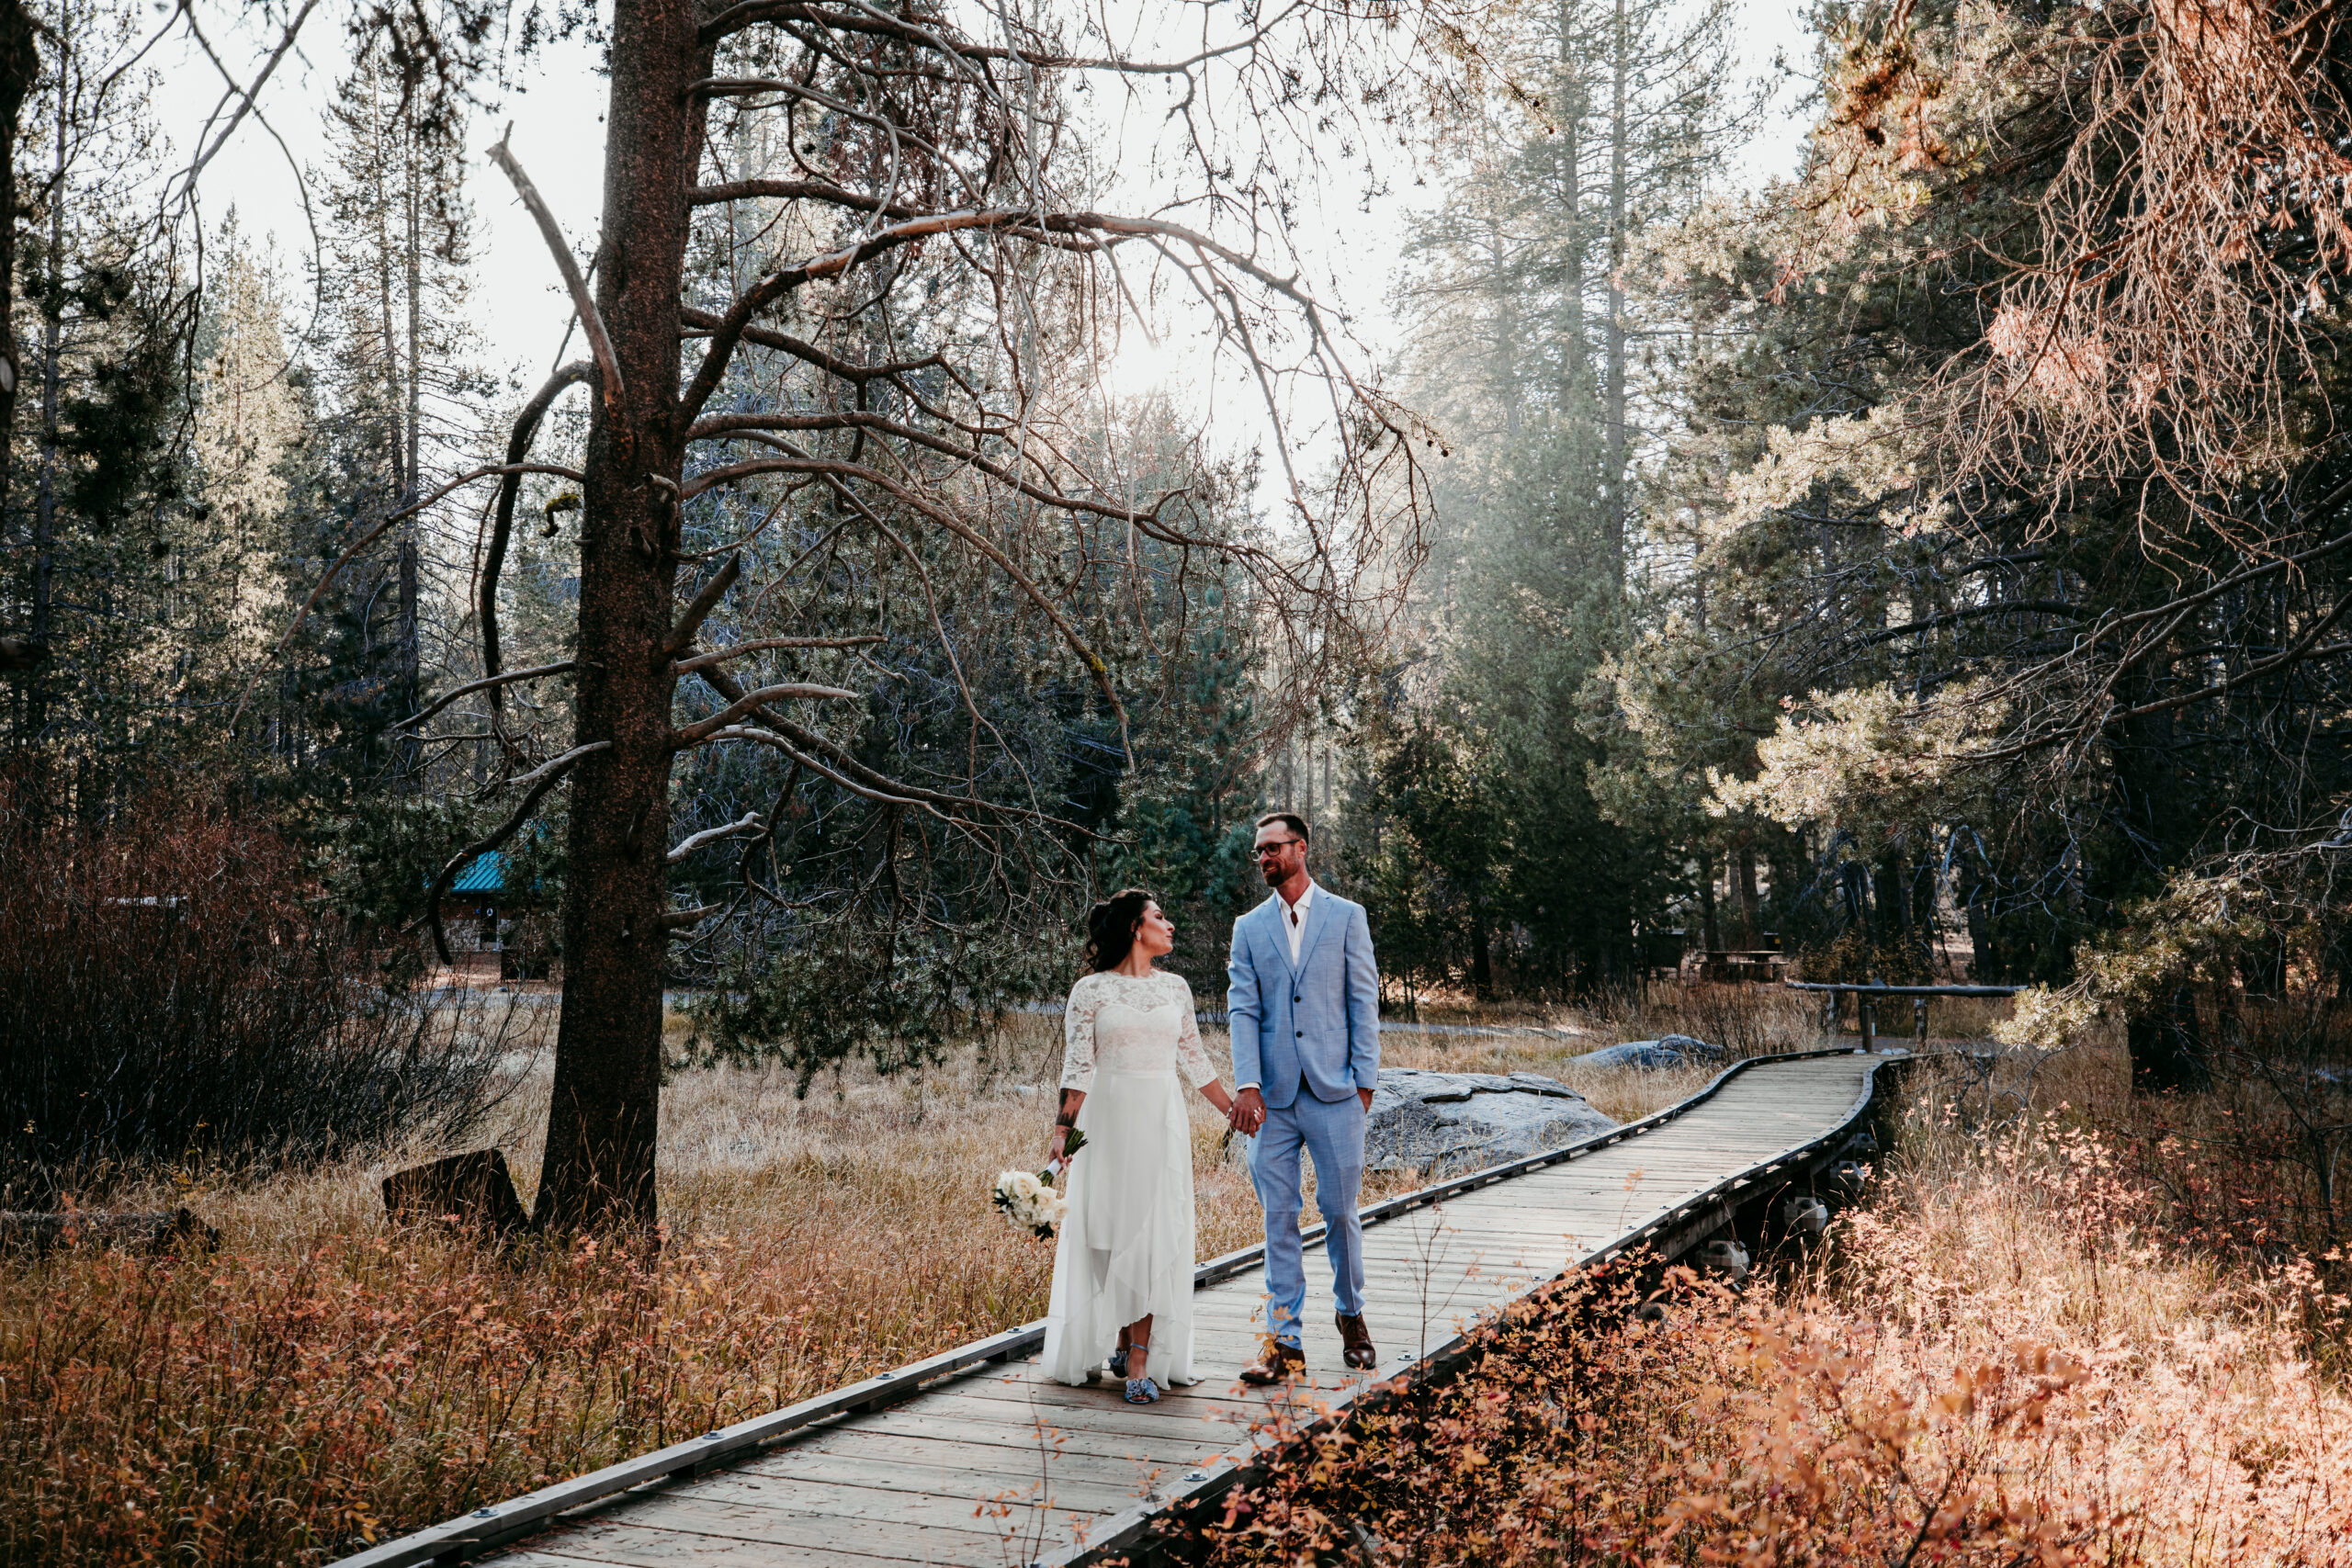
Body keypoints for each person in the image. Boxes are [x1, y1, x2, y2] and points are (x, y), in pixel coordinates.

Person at [1041, 889, 1240, 1404]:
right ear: (1135, 927)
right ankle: (1118, 1334)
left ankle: (1139, 1358)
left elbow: (1196, 1061)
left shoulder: (1175, 988)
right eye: (1159, 917)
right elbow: (1077, 1068)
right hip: (1106, 1117)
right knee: (1107, 1228)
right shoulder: (1090, 991)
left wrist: (1236, 1111)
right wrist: (1062, 1132)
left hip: (1160, 1117)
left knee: (1153, 1228)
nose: (1169, 925)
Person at [1225, 811, 1382, 1383]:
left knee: (1340, 1212)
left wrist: (1364, 1082)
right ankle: (1284, 1344)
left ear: (1301, 848)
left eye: (1272, 848)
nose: (1263, 858)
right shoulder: (1248, 927)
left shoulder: (1346, 917)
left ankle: (1351, 1316)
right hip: (1271, 1101)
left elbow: (1364, 1002)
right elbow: (1242, 1009)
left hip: (1336, 1093)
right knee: (1279, 1219)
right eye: (1258, 852)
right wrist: (1247, 1083)